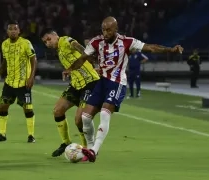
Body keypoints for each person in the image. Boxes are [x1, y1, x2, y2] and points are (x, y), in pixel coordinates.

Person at [64, 16, 183, 162]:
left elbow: (150, 47)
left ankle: (95, 150)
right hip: (101, 82)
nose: (105, 33)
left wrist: (171, 50)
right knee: (85, 118)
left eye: (108, 30)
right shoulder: (96, 42)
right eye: (103, 30)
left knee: (105, 114)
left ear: (116, 29)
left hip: (117, 83)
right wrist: (70, 69)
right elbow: (83, 58)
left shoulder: (127, 42)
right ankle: (90, 148)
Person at [41, 29, 100, 157]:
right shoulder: (59, 50)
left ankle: (87, 149)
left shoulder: (65, 40)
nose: (48, 43)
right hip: (76, 84)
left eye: (49, 39)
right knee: (57, 111)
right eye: (45, 42)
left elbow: (78, 46)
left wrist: (88, 57)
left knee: (79, 120)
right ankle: (66, 143)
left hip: (90, 82)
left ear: (55, 35)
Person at [0, 20, 37, 143]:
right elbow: (5, 61)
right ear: (7, 31)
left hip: (23, 83)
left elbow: (33, 60)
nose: (13, 31)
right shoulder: (4, 44)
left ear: (19, 31)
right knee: (3, 106)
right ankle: (2, 134)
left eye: (15, 29)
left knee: (27, 108)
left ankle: (31, 135)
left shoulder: (26, 43)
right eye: (10, 29)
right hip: (9, 82)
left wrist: (31, 77)